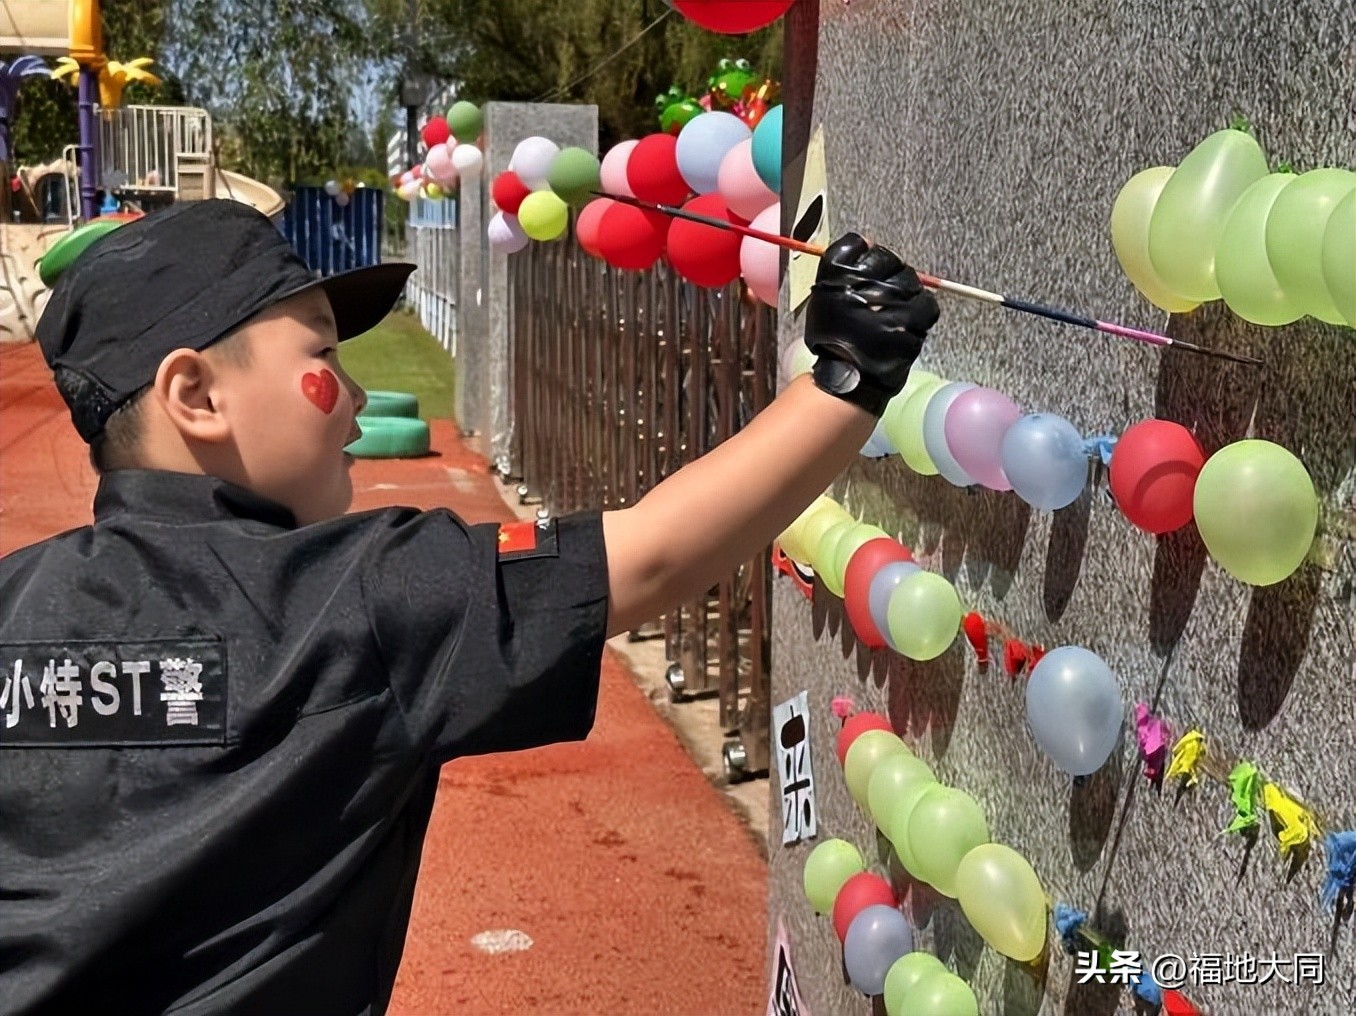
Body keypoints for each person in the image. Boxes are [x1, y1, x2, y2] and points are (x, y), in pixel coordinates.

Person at [0, 198, 939, 1014]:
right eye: (321, 354)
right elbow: (651, 555)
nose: (355, 395)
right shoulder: (355, 593)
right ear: (196, 395)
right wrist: (849, 374)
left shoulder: (13, 601)